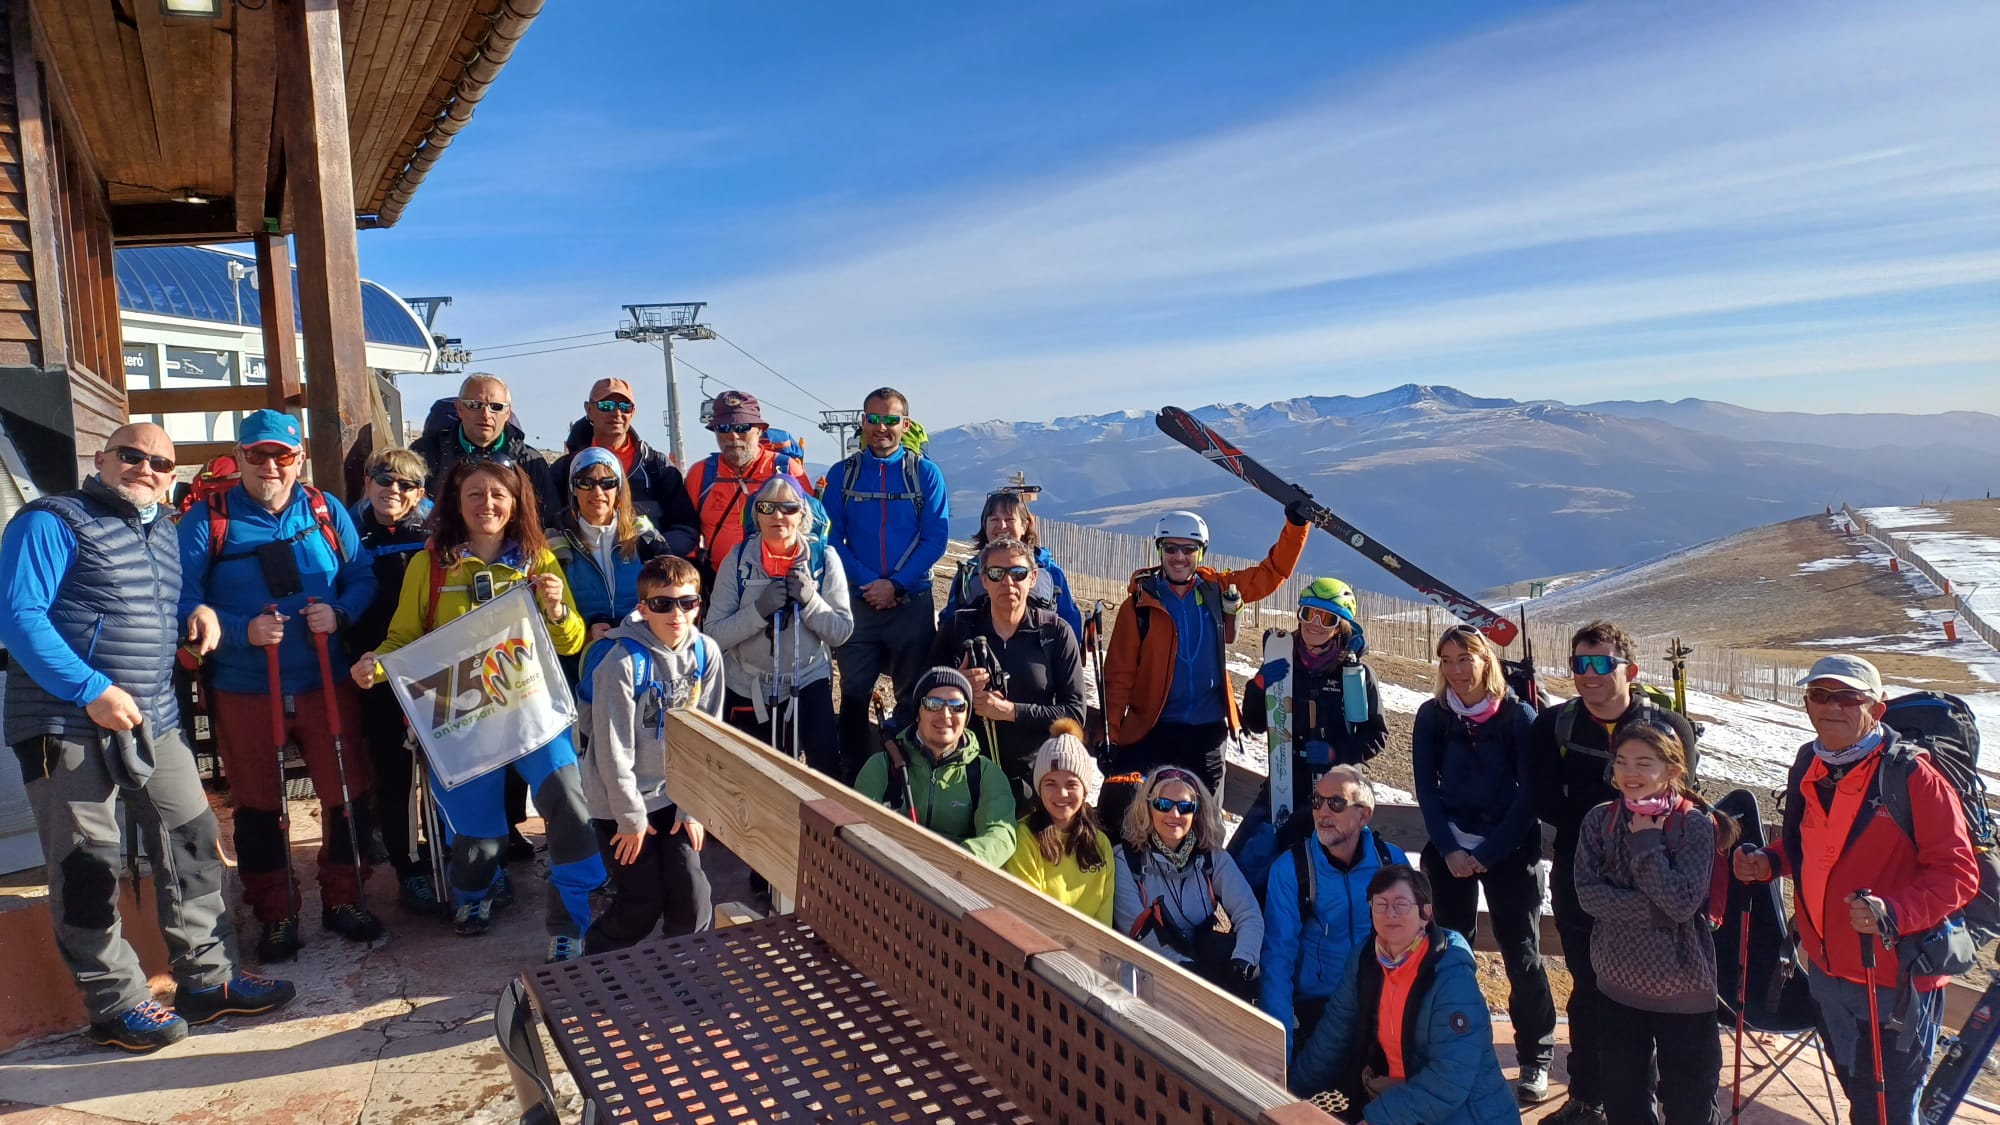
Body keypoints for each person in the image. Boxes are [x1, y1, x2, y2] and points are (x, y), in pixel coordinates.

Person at [0, 424, 293, 1052]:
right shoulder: (49, 521)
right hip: (67, 721)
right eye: (131, 455)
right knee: (87, 864)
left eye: (161, 462)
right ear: (101, 458)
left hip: (153, 715)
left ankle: (207, 982)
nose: (147, 468)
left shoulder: (161, 527)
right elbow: (19, 617)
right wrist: (90, 690)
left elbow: (164, 599)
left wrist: (199, 612)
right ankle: (116, 1003)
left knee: (192, 836)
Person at [350, 458, 608, 963]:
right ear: (456, 502)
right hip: (463, 719)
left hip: (533, 715)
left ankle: (570, 920)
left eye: (498, 495)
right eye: (475, 494)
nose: (487, 504)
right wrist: (376, 667)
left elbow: (572, 640)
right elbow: (404, 638)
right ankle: (476, 893)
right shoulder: (432, 563)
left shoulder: (538, 559)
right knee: (475, 835)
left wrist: (557, 609)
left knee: (570, 811)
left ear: (516, 504)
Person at [1733, 655, 1978, 1125]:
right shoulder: (1811, 762)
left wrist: (1894, 912)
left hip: (1893, 978)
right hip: (1825, 969)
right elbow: (1812, 844)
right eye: (1820, 695)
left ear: (1877, 710)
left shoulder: (1913, 777)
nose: (1832, 707)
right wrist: (1770, 862)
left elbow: (1958, 873)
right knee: (1858, 1092)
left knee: (1885, 1109)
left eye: (1848, 697)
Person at [177, 409, 382, 961]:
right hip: (246, 686)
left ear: (300, 458)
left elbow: (361, 576)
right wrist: (242, 631)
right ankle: (275, 913)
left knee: (346, 789)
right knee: (259, 803)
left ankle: (345, 897)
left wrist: (339, 613)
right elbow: (182, 597)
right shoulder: (208, 518)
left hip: (324, 678)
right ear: (239, 456)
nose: (270, 465)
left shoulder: (323, 508)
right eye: (257, 454)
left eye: (282, 455)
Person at [1529, 619, 1699, 1125]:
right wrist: (1607, 828)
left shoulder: (1671, 727)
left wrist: (1614, 827)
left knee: (1658, 992)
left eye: (1602, 663)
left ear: (1632, 669)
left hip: (1658, 878)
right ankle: (1587, 1097)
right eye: (1580, 663)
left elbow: (1680, 797)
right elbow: (1542, 797)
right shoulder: (1553, 725)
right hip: (1582, 877)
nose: (1589, 674)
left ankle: (1656, 1100)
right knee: (1589, 986)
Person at [1413, 623, 1558, 1106]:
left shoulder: (1519, 718)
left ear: (1485, 660)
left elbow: (1530, 797)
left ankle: (1535, 1057)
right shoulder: (1432, 717)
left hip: (1509, 850)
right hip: (1450, 848)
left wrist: (1486, 853)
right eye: (1447, 660)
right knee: (1451, 956)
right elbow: (1426, 791)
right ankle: (1457, 1050)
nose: (1456, 670)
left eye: (1465, 658)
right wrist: (1451, 849)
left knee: (1522, 954)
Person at [1101, 505, 1308, 822]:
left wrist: (1295, 527)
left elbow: (1272, 574)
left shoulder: (1218, 589)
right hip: (1152, 730)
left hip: (1207, 732)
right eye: (1170, 548)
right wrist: (1111, 737)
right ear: (1159, 550)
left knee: (1204, 824)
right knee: (1134, 819)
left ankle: (1203, 873)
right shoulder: (1139, 606)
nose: (1179, 557)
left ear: (1202, 552)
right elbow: (1119, 676)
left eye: (1189, 549)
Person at [1576, 722, 1738, 1125]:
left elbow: (1683, 904)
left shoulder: (1695, 825)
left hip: (1684, 992)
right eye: (1622, 762)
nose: (1629, 773)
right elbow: (1587, 895)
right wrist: (1656, 911)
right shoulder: (1599, 820)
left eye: (1644, 763)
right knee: (1625, 1104)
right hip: (1616, 987)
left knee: (1690, 1105)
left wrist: (1647, 846)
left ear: (1671, 771)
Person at [1288, 865, 1519, 1125]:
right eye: (1381, 904)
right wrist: (1288, 1094)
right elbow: (1333, 1035)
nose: (1390, 913)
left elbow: (1449, 1079)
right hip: (1404, 1100)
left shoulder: (1450, 975)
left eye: (1401, 904)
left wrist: (1378, 1119)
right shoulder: (1365, 960)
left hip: (1466, 1113)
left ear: (1426, 913)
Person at [579, 555, 722, 952]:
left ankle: (677, 972)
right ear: (643, 608)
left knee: (692, 896)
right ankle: (590, 966)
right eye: (662, 604)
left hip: (674, 795)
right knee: (642, 900)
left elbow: (707, 738)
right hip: (617, 801)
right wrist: (630, 819)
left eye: (687, 603)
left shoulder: (706, 654)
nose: (676, 614)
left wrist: (693, 808)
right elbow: (612, 749)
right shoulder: (621, 663)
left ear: (699, 604)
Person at [1232, 577, 1389, 892]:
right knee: (1240, 863)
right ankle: (1252, 930)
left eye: (1327, 618)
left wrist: (1335, 753)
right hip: (1283, 783)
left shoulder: (1354, 673)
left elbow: (1376, 736)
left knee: (1309, 876)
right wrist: (1258, 686)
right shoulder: (1281, 656)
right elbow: (1254, 723)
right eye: (1308, 614)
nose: (1315, 624)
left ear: (1340, 626)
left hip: (1334, 794)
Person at [825, 387, 950, 778]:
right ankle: (853, 773)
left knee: (911, 694)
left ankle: (909, 773)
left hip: (909, 601)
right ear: (863, 422)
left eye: (891, 420)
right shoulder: (842, 475)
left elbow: (936, 538)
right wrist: (869, 584)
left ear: (905, 425)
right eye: (874, 419)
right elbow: (829, 537)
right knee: (855, 692)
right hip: (860, 601)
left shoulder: (924, 473)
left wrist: (895, 584)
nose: (882, 428)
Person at [707, 476, 853, 779]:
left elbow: (841, 631)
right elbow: (714, 634)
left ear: (802, 514)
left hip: (809, 680)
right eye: (767, 507)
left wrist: (810, 600)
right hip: (748, 686)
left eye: (788, 507)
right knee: (754, 779)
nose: (778, 516)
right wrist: (759, 610)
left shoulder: (824, 560)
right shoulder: (736, 561)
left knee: (824, 774)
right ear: (755, 514)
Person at [926, 536, 1087, 808]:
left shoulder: (1056, 633)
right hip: (961, 769)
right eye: (997, 573)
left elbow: (1074, 713)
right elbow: (925, 696)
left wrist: (1010, 711)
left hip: (1035, 778)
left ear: (1033, 578)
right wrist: (957, 687)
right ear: (984, 579)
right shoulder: (958, 628)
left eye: (1018, 573)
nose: (1008, 582)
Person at [1261, 766, 1408, 1054]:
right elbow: (1277, 959)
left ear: (1364, 815)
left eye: (1336, 803)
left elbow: (1418, 941)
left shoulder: (1391, 862)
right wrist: (1280, 1054)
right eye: (1317, 801)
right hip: (1319, 1003)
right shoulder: (1291, 869)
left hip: (1382, 996)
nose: (1322, 812)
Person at [349, 448, 437, 911]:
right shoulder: (347, 533)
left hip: (430, 665)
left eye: (406, 485)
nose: (394, 491)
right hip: (375, 667)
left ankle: (458, 856)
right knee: (393, 770)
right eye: (385, 480)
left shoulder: (433, 534)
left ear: (420, 493)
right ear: (368, 483)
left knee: (445, 766)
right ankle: (410, 868)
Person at [1113, 765, 1264, 999]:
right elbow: (1137, 931)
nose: (1174, 815)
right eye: (1163, 805)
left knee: (1222, 951)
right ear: (1148, 807)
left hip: (1201, 963)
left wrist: (1242, 960)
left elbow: (1249, 913)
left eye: (1185, 807)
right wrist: (1187, 971)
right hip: (1150, 971)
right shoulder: (1126, 860)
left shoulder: (1212, 859)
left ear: (1197, 813)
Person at [854, 668, 1015, 866]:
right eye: (933, 704)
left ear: (967, 716)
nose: (945, 714)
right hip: (890, 871)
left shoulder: (984, 774)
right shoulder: (883, 766)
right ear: (917, 713)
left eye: (957, 706)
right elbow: (859, 822)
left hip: (955, 881)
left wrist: (956, 862)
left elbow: (1000, 834)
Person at [548, 446, 674, 657]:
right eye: (586, 483)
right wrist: (587, 634)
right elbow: (548, 612)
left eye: (607, 483)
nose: (597, 492)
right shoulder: (556, 542)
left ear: (619, 489)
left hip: (643, 652)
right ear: (573, 489)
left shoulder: (643, 535)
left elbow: (673, 590)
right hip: (584, 658)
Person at [549, 377, 699, 550]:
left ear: (633, 412)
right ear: (589, 410)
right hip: (585, 571)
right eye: (607, 406)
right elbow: (549, 525)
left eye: (625, 407)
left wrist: (660, 554)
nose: (617, 413)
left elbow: (686, 527)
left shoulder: (656, 466)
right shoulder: (565, 469)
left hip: (647, 573)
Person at [683, 390, 813, 587]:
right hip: (720, 585)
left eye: (742, 427)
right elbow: (687, 531)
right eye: (724, 428)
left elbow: (812, 528)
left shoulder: (787, 470)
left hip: (780, 584)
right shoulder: (701, 474)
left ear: (759, 430)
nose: (733, 436)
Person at [1003, 718, 1115, 925]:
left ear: (1085, 789)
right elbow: (1030, 913)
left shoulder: (1101, 844)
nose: (1061, 793)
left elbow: (1104, 919)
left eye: (1071, 784)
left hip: (1089, 950)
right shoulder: (1025, 837)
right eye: (1051, 784)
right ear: (1039, 788)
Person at [938, 490, 1083, 640]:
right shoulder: (968, 574)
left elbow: (1070, 624)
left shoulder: (1050, 573)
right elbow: (950, 622)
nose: (1002, 526)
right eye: (994, 519)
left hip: (1039, 658)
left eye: (1009, 519)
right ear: (984, 525)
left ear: (1024, 526)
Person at [411, 372, 554, 505]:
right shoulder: (425, 454)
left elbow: (548, 522)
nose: (486, 414)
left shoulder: (530, 462)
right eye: (475, 405)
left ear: (508, 413)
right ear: (459, 408)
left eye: (496, 407)